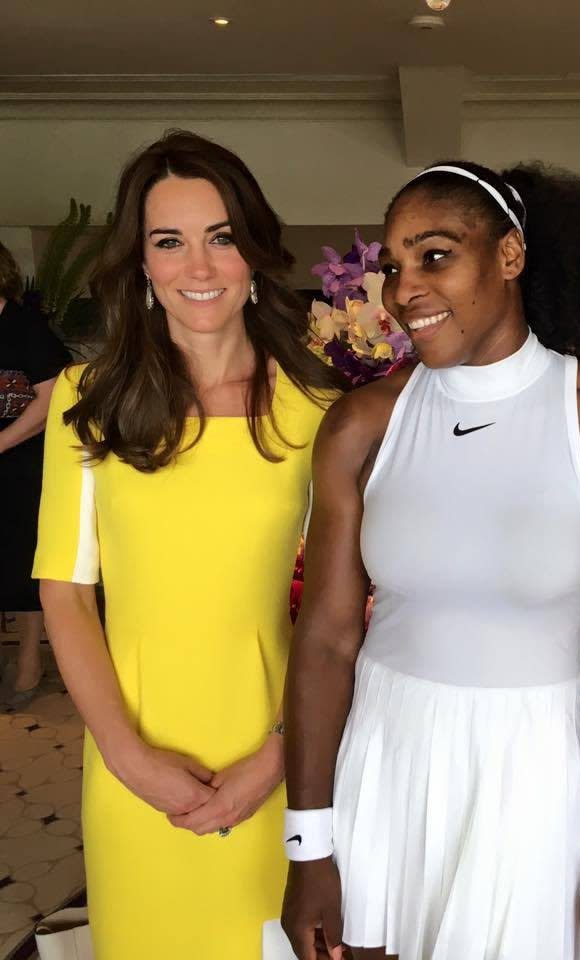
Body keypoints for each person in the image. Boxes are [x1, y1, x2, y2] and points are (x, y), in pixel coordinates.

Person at [281, 161, 580, 960]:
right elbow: (325, 639)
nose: (402, 290)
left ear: (509, 256)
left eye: (434, 256)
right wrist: (309, 848)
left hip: (533, 777)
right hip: (384, 762)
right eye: (392, 266)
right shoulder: (364, 423)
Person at [34, 130, 341, 960]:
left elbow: (344, 606)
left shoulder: (319, 411)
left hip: (279, 754)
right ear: (140, 262)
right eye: (169, 242)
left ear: (254, 253)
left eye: (222, 238)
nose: (198, 268)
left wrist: (278, 757)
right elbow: (65, 590)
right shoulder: (85, 399)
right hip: (131, 757)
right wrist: (127, 756)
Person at [0, 242, 70, 706]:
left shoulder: (26, 327)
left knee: (25, 561)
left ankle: (29, 656)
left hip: (25, 465)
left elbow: (52, 399)